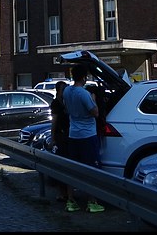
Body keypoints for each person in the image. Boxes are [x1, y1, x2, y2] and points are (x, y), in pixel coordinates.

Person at [62, 64, 105, 213]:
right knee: (91, 169)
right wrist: (94, 99)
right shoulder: (84, 94)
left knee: (72, 168)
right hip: (88, 135)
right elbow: (95, 113)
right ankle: (92, 202)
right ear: (84, 77)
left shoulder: (67, 91)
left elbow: (66, 109)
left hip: (73, 134)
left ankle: (71, 201)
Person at [50, 81, 71, 201]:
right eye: (63, 90)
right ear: (59, 90)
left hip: (65, 135)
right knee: (61, 163)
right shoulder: (56, 103)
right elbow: (54, 121)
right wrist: (53, 137)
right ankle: (61, 192)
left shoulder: (65, 102)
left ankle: (66, 192)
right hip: (60, 136)